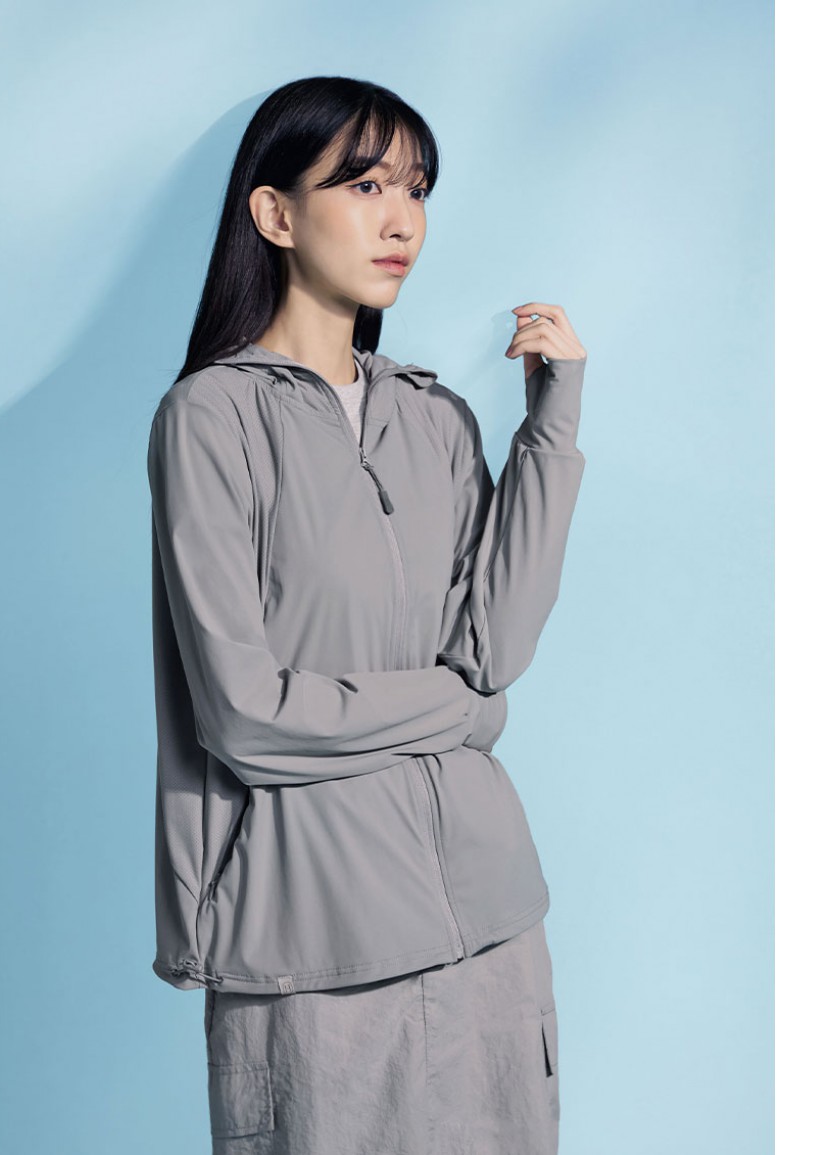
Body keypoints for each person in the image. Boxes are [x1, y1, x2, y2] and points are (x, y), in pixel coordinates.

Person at [146, 75, 588, 1155]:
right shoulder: (212, 417)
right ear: (275, 214)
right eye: (364, 185)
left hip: (491, 927)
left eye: (416, 190)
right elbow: (246, 717)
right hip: (315, 941)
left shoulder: (435, 418)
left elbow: (493, 649)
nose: (402, 221)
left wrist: (549, 430)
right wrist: (457, 714)